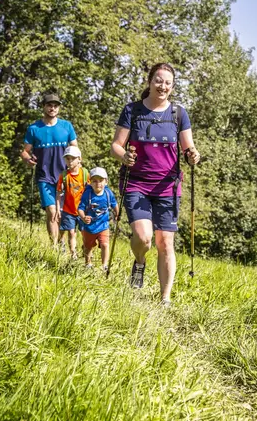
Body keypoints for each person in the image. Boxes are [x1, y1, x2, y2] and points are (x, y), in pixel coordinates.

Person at [110, 62, 200, 306]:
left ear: (172, 87)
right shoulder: (133, 110)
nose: (163, 86)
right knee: (143, 238)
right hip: (136, 183)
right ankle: (139, 262)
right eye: (159, 81)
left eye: (168, 83)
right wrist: (123, 156)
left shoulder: (178, 114)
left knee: (166, 242)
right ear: (150, 81)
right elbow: (116, 146)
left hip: (167, 187)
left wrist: (193, 155)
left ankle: (165, 299)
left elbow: (188, 148)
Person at [21, 93, 78, 246]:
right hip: (44, 176)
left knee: (63, 214)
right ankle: (54, 247)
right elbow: (25, 151)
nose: (52, 108)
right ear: (44, 107)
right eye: (49, 105)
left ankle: (61, 242)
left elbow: (75, 149)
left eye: (55, 105)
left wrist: (77, 169)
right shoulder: (34, 128)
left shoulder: (66, 126)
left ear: (58, 108)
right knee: (52, 211)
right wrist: (28, 159)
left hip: (64, 176)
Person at [77, 167, 118, 271]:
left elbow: (114, 204)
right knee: (88, 246)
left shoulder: (108, 194)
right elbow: (80, 208)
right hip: (89, 227)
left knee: (105, 244)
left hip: (103, 225)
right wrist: (83, 217)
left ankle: (104, 265)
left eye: (101, 180)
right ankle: (88, 264)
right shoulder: (87, 194)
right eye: (94, 181)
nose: (98, 183)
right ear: (90, 182)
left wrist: (117, 213)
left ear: (106, 182)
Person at [56, 145, 89, 258]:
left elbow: (91, 191)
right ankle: (73, 255)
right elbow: (59, 193)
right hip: (68, 210)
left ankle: (86, 251)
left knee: (85, 233)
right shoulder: (64, 176)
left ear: (79, 159)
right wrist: (58, 209)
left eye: (73, 158)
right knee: (71, 232)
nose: (70, 161)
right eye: (67, 158)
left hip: (82, 210)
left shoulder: (85, 174)